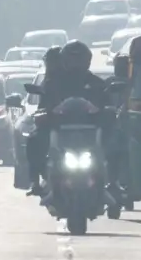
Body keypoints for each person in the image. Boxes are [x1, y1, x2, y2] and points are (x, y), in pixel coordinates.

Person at [26, 40, 110, 197]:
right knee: (34, 138)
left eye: (79, 60)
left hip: (90, 130)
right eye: (72, 60)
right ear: (64, 61)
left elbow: (107, 104)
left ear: (87, 61)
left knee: (117, 138)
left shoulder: (97, 84)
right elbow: (44, 106)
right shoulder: (53, 83)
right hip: (60, 128)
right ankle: (35, 181)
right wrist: (44, 114)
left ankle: (114, 182)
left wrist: (107, 113)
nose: (75, 64)